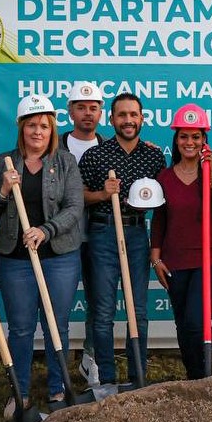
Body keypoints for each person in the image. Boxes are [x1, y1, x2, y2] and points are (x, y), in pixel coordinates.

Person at [0, 95, 84, 417]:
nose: (38, 132)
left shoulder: (65, 162)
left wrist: (46, 230)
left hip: (59, 256)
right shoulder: (3, 163)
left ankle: (57, 389)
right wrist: (3, 192)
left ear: (52, 129)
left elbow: (75, 208)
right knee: (21, 328)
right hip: (16, 260)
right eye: (32, 126)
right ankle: (19, 391)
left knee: (57, 325)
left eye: (44, 126)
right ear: (22, 128)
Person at [79, 92, 166, 385]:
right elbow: (78, 196)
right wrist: (103, 194)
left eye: (133, 115)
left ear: (141, 118)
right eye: (122, 115)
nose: (128, 120)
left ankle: (137, 377)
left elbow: (163, 198)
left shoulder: (154, 156)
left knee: (138, 310)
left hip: (138, 232)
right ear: (112, 119)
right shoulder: (96, 155)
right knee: (103, 311)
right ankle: (105, 379)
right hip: (103, 232)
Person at [149, 103, 212, 379]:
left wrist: (211, 179)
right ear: (176, 140)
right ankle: (195, 379)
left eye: (196, 136)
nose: (190, 142)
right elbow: (160, 219)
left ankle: (204, 378)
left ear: (204, 140)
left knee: (195, 320)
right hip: (176, 259)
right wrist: (156, 257)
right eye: (184, 136)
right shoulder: (164, 177)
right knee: (184, 324)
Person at [60, 81, 107, 387]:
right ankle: (59, 367)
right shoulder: (55, 145)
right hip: (62, 237)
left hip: (100, 237)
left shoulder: (109, 147)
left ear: (101, 112)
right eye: (81, 107)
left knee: (98, 300)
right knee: (59, 302)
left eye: (93, 108)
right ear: (70, 112)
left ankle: (89, 360)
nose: (87, 113)